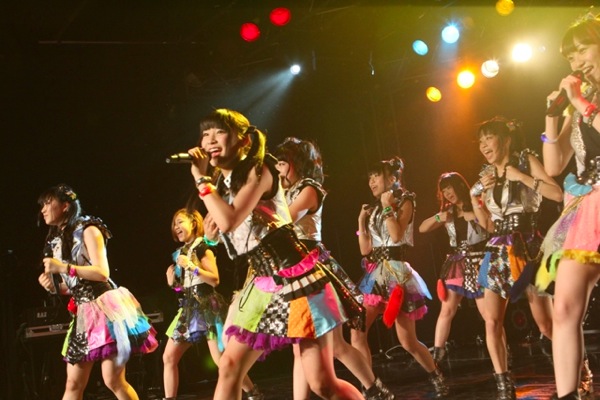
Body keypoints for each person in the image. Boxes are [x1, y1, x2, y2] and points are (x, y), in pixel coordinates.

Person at [186, 108, 364, 400]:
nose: (210, 140)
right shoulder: (222, 184)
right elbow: (227, 230)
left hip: (296, 276)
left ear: (244, 141)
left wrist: (200, 179)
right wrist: (211, 234)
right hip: (262, 281)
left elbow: (230, 219)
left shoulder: (261, 170)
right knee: (229, 365)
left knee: (322, 383)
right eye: (205, 134)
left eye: (219, 132)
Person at [274, 137, 394, 400]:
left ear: (298, 163)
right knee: (299, 345)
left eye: (282, 163)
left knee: (337, 345)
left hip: (312, 269)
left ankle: (375, 390)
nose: (277, 169)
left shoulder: (309, 189)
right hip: (292, 271)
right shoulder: (284, 192)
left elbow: (284, 220)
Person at [469, 117, 563, 399]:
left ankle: (578, 368)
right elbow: (487, 225)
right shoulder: (486, 175)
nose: (484, 146)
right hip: (497, 247)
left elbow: (556, 193)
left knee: (545, 324)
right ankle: (503, 385)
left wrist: (522, 177)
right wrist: (476, 197)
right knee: (491, 320)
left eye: (489, 138)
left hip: (527, 246)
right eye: (480, 141)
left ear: (506, 140)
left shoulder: (525, 160)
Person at [36, 184, 158, 400]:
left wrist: (63, 268)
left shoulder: (89, 229)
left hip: (105, 308)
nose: (43, 210)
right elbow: (75, 285)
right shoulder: (56, 240)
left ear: (65, 205)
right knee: (73, 383)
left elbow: (102, 273)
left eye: (47, 203)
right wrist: (54, 287)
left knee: (113, 380)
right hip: (83, 313)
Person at [534, 12, 600, 400]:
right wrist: (552, 116)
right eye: (570, 57)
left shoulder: (584, 102)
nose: (577, 63)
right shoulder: (578, 104)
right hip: (588, 208)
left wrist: (581, 103)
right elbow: (555, 166)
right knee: (563, 308)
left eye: (583, 50)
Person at [351, 157, 449, 398]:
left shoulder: (405, 201)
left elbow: (396, 236)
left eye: (376, 176)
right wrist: (361, 221)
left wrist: (387, 207)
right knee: (357, 332)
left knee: (408, 342)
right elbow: (365, 249)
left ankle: (436, 374)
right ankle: (371, 387)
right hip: (375, 275)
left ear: (392, 178)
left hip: (397, 274)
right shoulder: (374, 209)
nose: (371, 181)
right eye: (370, 177)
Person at [162, 208, 263, 400]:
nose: (176, 227)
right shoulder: (181, 252)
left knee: (221, 360)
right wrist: (172, 283)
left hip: (208, 306)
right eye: (174, 224)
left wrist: (192, 266)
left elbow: (214, 280)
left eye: (180, 222)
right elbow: (184, 286)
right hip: (188, 308)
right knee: (168, 357)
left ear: (193, 223)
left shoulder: (202, 247)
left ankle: (253, 393)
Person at [418, 172, 489, 363]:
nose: (447, 193)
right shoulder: (447, 212)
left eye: (449, 187)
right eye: (444, 190)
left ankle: (500, 349)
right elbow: (422, 228)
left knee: (486, 313)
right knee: (447, 310)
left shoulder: (476, 203)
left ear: (460, 186)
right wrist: (439, 217)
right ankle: (437, 354)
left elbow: (490, 225)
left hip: (478, 260)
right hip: (457, 263)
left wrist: (472, 215)